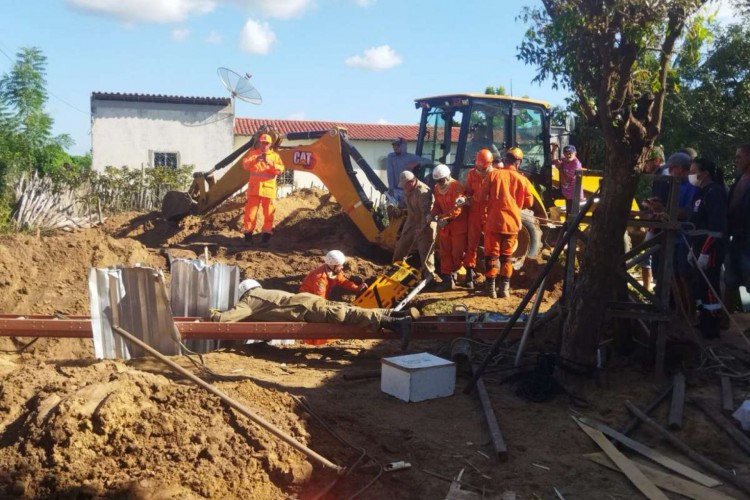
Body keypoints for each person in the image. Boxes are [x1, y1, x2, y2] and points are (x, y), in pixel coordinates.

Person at [211, 279, 417, 349]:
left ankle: (396, 324)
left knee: (345, 315)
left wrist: (216, 317)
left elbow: (232, 316)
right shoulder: (262, 293)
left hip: (307, 307)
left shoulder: (251, 299)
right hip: (308, 302)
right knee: (349, 310)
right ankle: (397, 315)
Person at [480, 147, 533, 298]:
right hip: (512, 224)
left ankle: (490, 288)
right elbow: (529, 202)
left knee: (491, 256)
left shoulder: (493, 175)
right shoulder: (523, 180)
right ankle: (504, 289)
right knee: (507, 257)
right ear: (518, 163)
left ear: (505, 159)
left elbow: (481, 196)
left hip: (494, 223)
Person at [687, 157, 727, 339]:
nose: (691, 175)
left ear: (704, 174)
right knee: (698, 286)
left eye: (694, 171)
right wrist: (693, 250)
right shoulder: (699, 192)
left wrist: (704, 252)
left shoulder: (714, 193)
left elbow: (716, 228)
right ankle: (702, 319)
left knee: (709, 286)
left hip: (710, 249)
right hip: (697, 245)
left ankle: (712, 324)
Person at [391, 170, 437, 280]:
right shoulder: (407, 189)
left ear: (412, 182)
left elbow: (427, 214)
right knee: (401, 245)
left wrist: (420, 229)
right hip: (412, 221)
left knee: (424, 250)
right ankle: (395, 269)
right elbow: (411, 207)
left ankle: (429, 276)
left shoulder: (423, 192)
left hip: (426, 222)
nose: (404, 188)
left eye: (405, 185)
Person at [430, 164, 468, 291]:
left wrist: (448, 220)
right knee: (445, 252)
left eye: (441, 181)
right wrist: (432, 214)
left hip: (457, 225)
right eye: (437, 181)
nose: (439, 183)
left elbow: (458, 208)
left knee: (457, 253)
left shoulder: (456, 186)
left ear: (447, 177)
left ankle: (456, 272)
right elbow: (437, 205)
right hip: (444, 226)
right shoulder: (437, 188)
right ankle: (447, 279)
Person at [242, 134, 285, 245]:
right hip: (254, 189)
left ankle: (265, 239)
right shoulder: (253, 154)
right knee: (250, 214)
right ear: (259, 143)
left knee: (269, 214)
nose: (264, 144)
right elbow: (246, 165)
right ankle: (248, 237)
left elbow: (280, 170)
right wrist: (256, 159)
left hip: (268, 190)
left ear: (270, 144)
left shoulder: (275, 156)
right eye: (262, 142)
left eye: (266, 143)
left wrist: (270, 163)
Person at [460, 149, 494, 289]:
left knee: (490, 246)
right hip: (475, 212)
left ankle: (490, 276)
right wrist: (464, 197)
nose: (480, 169)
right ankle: (469, 273)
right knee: (471, 244)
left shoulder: (495, 175)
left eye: (483, 167)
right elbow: (468, 190)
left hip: (489, 213)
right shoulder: (472, 174)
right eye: (478, 166)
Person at [724, 143, 750, 315]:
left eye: (739, 156)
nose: (736, 160)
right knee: (730, 279)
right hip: (736, 238)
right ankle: (726, 317)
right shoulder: (740, 179)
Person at [299, 250, 366, 299]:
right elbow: (319, 299)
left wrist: (356, 288)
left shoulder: (334, 270)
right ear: (333, 265)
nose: (342, 267)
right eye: (340, 265)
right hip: (307, 298)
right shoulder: (320, 279)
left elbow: (343, 281)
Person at [386, 138, 424, 206]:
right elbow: (390, 173)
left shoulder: (411, 157)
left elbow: (427, 161)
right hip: (394, 190)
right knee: (391, 208)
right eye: (394, 146)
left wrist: (416, 164)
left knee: (407, 210)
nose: (395, 148)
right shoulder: (391, 157)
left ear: (404, 146)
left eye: (398, 145)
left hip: (408, 191)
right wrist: (391, 189)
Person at [552, 144, 583, 215]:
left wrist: (560, 168)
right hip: (566, 192)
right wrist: (553, 150)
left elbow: (566, 180)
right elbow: (553, 161)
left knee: (572, 214)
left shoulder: (576, 164)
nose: (568, 155)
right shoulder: (565, 160)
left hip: (574, 194)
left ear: (575, 153)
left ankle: (571, 225)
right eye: (566, 154)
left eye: (570, 154)